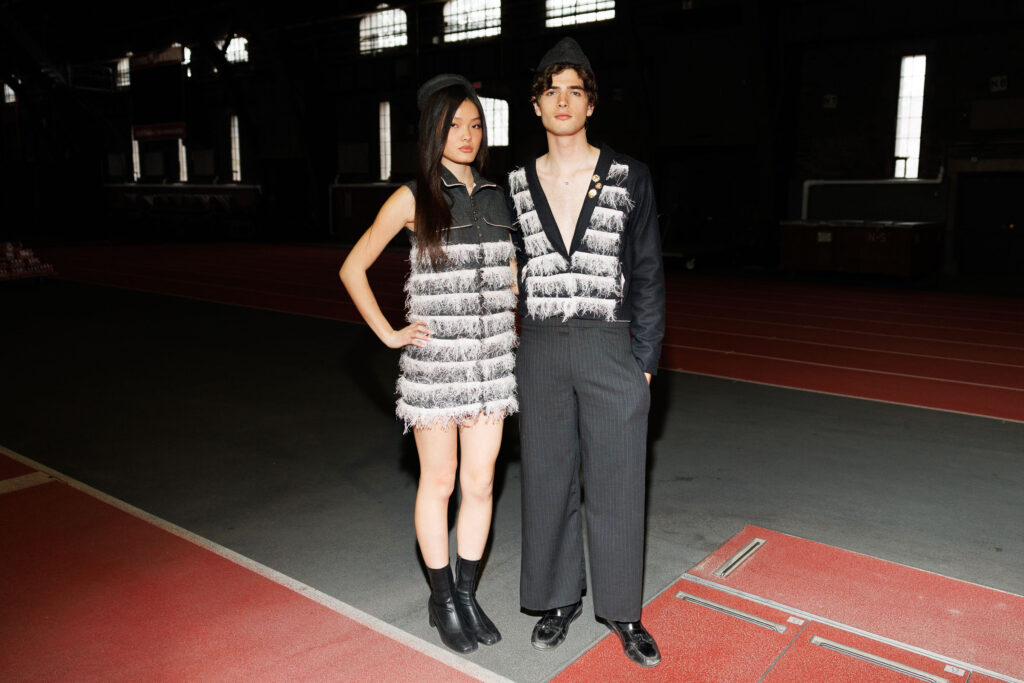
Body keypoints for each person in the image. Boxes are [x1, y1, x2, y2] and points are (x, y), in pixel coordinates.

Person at [339, 73, 518, 654]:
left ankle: (467, 593)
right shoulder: (414, 196)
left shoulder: (497, 195)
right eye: (453, 126)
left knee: (482, 482)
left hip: (491, 368)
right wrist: (390, 334)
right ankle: (442, 600)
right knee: (439, 482)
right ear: (432, 133)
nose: (466, 135)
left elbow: (509, 275)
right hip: (436, 369)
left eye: (474, 125)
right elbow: (352, 267)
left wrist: (511, 320)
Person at [507, 37, 666, 667]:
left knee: (619, 484)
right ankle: (557, 601)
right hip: (541, 345)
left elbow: (648, 271)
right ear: (537, 105)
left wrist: (647, 360)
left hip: (611, 346)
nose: (564, 101)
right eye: (552, 91)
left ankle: (623, 613)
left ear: (591, 103)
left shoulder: (630, 176)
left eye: (575, 90)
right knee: (546, 480)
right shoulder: (515, 184)